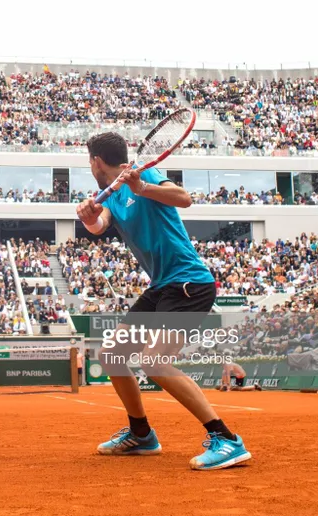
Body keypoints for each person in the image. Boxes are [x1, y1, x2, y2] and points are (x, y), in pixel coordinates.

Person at [76, 132, 252, 470]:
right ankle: (141, 434)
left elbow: (183, 198)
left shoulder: (143, 172)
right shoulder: (110, 195)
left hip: (188, 283)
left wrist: (141, 186)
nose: (90, 167)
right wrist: (88, 219)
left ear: (97, 161)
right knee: (112, 354)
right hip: (162, 286)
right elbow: (101, 226)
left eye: (89, 161)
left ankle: (226, 439)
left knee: (153, 360)